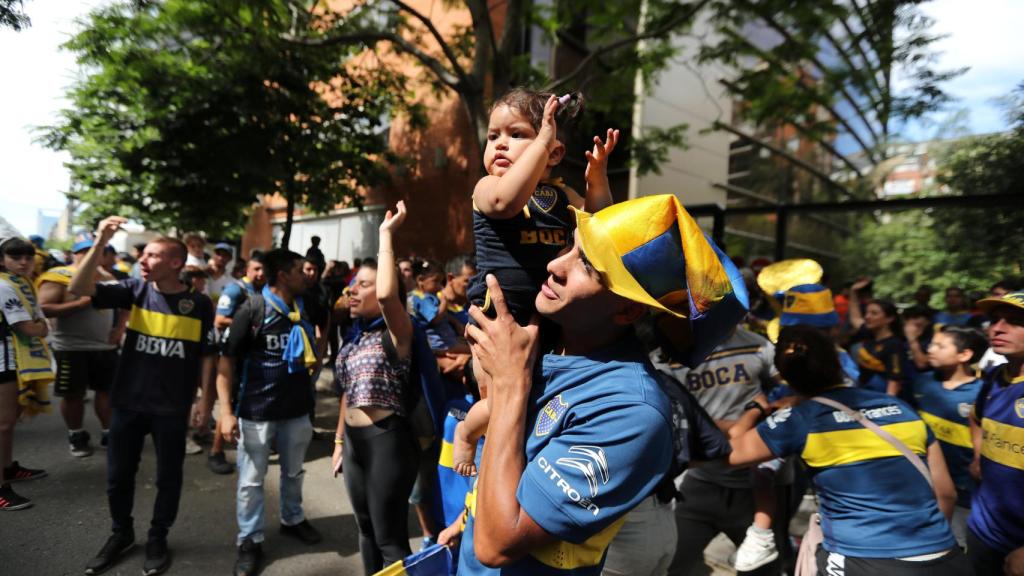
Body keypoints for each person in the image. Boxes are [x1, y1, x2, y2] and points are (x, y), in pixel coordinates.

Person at [460, 194, 746, 575]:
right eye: (571, 246)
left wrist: (511, 384)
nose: (555, 265)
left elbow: (498, 545)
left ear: (627, 310)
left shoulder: (632, 412)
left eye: (588, 266)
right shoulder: (544, 347)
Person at [726, 326, 971, 575]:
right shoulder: (900, 408)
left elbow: (732, 453)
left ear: (786, 376)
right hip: (943, 556)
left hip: (860, 559)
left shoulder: (799, 419)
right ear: (838, 363)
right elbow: (946, 494)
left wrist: (755, 407)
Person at [72, 217, 217, 576]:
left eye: (153, 255)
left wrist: (205, 403)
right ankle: (122, 533)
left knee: (170, 477)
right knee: (118, 475)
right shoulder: (134, 290)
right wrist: (100, 240)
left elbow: (207, 358)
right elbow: (78, 286)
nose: (143, 259)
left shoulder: (198, 304)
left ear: (175, 263)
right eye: (143, 254)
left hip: (172, 408)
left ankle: (157, 536)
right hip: (128, 404)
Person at [468, 87, 617, 326]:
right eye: (493, 136)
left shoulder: (563, 193)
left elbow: (598, 225)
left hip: (552, 310)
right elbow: (504, 203)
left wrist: (597, 181)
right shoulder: (488, 186)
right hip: (497, 313)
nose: (500, 144)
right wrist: (542, 143)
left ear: (554, 153)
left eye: (516, 134)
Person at [217, 249, 322, 576]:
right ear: (281, 275)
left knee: (294, 472)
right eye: (297, 270)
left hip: (297, 410)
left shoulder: (305, 305)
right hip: (256, 410)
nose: (305, 275)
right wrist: (226, 412)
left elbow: (320, 336)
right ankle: (249, 539)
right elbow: (226, 360)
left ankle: (292, 518)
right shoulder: (253, 308)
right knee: (250, 480)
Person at [332, 201, 420, 575]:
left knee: (390, 539)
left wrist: (385, 236)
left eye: (362, 284)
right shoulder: (352, 339)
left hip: (387, 441)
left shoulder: (397, 332)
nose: (353, 291)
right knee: (365, 530)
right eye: (352, 284)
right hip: (353, 445)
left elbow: (387, 296)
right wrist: (338, 443)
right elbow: (347, 394)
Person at [660, 325, 783, 576]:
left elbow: (786, 398)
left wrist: (759, 416)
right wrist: (751, 417)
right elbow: (680, 418)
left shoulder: (759, 345)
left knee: (765, 568)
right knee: (671, 565)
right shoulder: (671, 352)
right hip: (699, 483)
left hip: (754, 487)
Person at [36, 233, 119, 457]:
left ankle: (109, 432)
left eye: (97, 250)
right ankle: (76, 434)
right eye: (85, 251)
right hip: (71, 347)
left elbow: (123, 305)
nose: (92, 255)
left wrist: (119, 328)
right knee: (73, 394)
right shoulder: (59, 276)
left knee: (106, 392)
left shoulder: (108, 276)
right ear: (75, 254)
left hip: (104, 347)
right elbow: (44, 308)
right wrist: (81, 303)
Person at [911, 325, 986, 548]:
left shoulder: (982, 392)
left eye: (940, 346)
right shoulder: (922, 382)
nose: (930, 349)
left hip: (962, 492)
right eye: (932, 343)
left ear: (965, 355)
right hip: (920, 485)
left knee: (954, 545)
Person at [966, 291, 1024, 576]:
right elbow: (975, 418)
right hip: (983, 533)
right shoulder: (994, 376)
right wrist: (979, 455)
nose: (997, 328)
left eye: (1015, 321)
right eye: (994, 319)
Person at [0, 237, 50, 511]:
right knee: (3, 424)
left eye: (28, 257)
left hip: (12, 357)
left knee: (8, 424)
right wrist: (41, 325)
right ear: (2, 260)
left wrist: (39, 324)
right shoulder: (5, 286)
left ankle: (7, 468)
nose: (23, 262)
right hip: (3, 359)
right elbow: (31, 329)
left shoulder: (21, 285)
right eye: (15, 257)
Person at [208, 254, 266, 475]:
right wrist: (250, 323)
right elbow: (219, 320)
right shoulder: (235, 290)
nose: (260, 274)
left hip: (250, 357)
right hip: (230, 356)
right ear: (247, 269)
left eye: (264, 270)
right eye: (256, 269)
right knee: (229, 403)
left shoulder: (262, 291)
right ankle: (216, 451)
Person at [847, 278, 908, 397]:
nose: (867, 317)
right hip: (864, 393)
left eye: (874, 313)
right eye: (867, 313)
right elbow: (855, 317)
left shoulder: (894, 345)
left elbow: (894, 382)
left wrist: (888, 404)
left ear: (889, 319)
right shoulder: (869, 334)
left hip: (880, 397)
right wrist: (853, 292)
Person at [409, 259, 462, 354]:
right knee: (469, 351)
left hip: (446, 342)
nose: (440, 286)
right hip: (438, 345)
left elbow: (444, 315)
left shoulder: (430, 296)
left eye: (441, 282)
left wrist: (455, 322)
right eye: (436, 281)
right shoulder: (421, 299)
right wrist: (444, 301)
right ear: (420, 280)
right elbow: (436, 318)